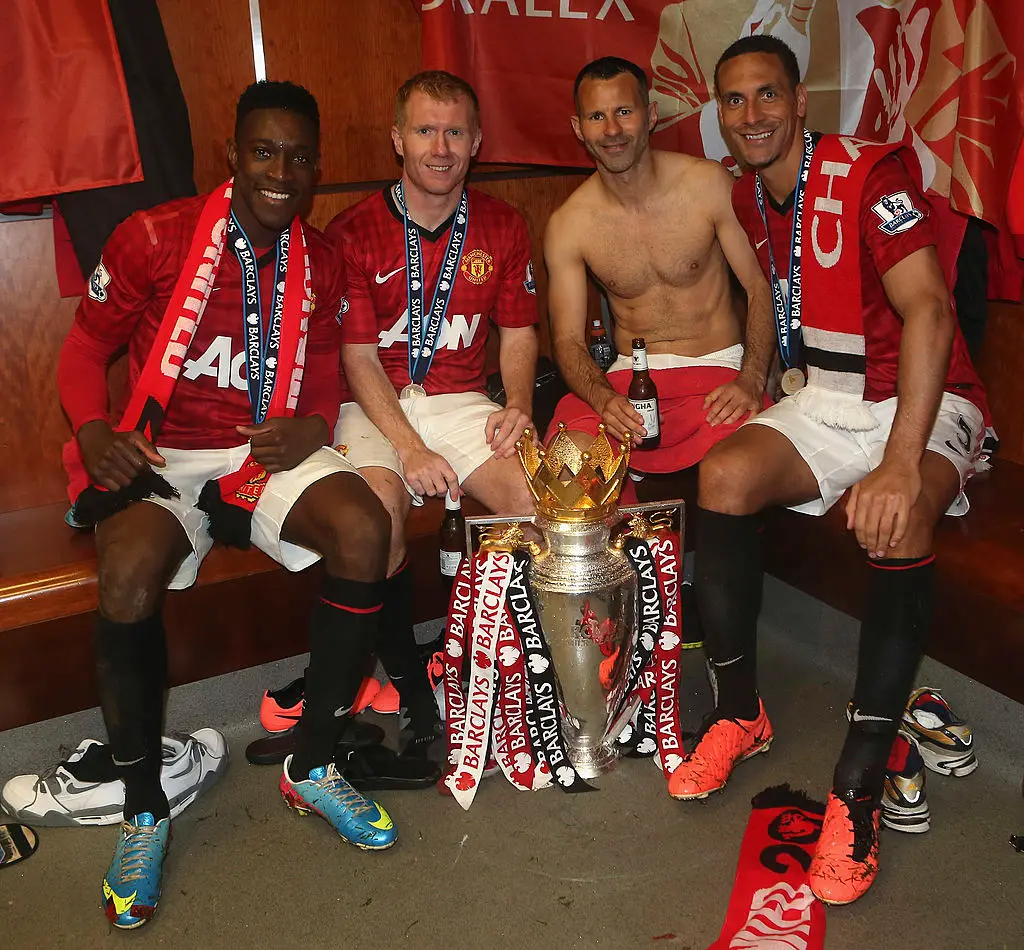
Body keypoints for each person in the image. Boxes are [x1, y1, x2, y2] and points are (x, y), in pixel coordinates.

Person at [58, 81, 397, 930]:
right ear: (232, 154)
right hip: (162, 449)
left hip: (259, 450)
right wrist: (97, 430)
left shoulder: (320, 258)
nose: (281, 172)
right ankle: (143, 810)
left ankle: (313, 763)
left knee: (366, 529)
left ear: (317, 166)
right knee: (127, 576)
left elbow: (323, 376)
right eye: (263, 152)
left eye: (298, 157)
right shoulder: (154, 235)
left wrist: (312, 423)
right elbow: (83, 349)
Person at [671, 36, 989, 906]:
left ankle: (860, 779)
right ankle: (740, 712)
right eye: (733, 102)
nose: (751, 116)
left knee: (903, 512)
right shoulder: (746, 191)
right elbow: (770, 301)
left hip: (922, 397)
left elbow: (927, 310)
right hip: (828, 396)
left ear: (800, 100)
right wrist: (751, 380)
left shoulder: (866, 176)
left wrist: (896, 464)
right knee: (722, 477)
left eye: (766, 96)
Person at [323, 70, 539, 751]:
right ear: (397, 139)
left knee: (535, 498)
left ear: (476, 141)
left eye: (454, 132)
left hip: (461, 399)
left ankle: (511, 672)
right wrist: (410, 449)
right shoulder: (352, 229)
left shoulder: (504, 225)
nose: (440, 147)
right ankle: (411, 687)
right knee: (379, 505)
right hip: (373, 402)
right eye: (424, 130)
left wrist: (523, 406)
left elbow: (521, 333)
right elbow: (357, 357)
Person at [544, 56, 774, 470]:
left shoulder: (709, 185)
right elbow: (567, 340)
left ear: (650, 115)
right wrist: (603, 399)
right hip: (625, 384)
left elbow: (762, 285)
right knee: (567, 466)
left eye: (624, 112)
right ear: (578, 128)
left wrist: (752, 379)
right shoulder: (568, 225)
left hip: (718, 374)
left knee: (737, 473)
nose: (612, 130)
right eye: (597, 116)